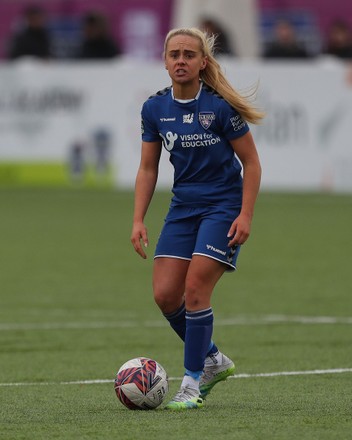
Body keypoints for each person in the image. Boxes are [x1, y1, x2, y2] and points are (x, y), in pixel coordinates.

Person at [131, 27, 263, 410]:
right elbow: (147, 169)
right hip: (182, 208)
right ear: (165, 60)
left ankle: (191, 383)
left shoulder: (219, 107)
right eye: (174, 54)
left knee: (195, 290)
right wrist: (138, 218)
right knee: (165, 295)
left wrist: (245, 214)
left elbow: (251, 164)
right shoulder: (154, 108)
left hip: (222, 207)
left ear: (203, 62)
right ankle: (213, 360)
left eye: (189, 54)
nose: (181, 61)